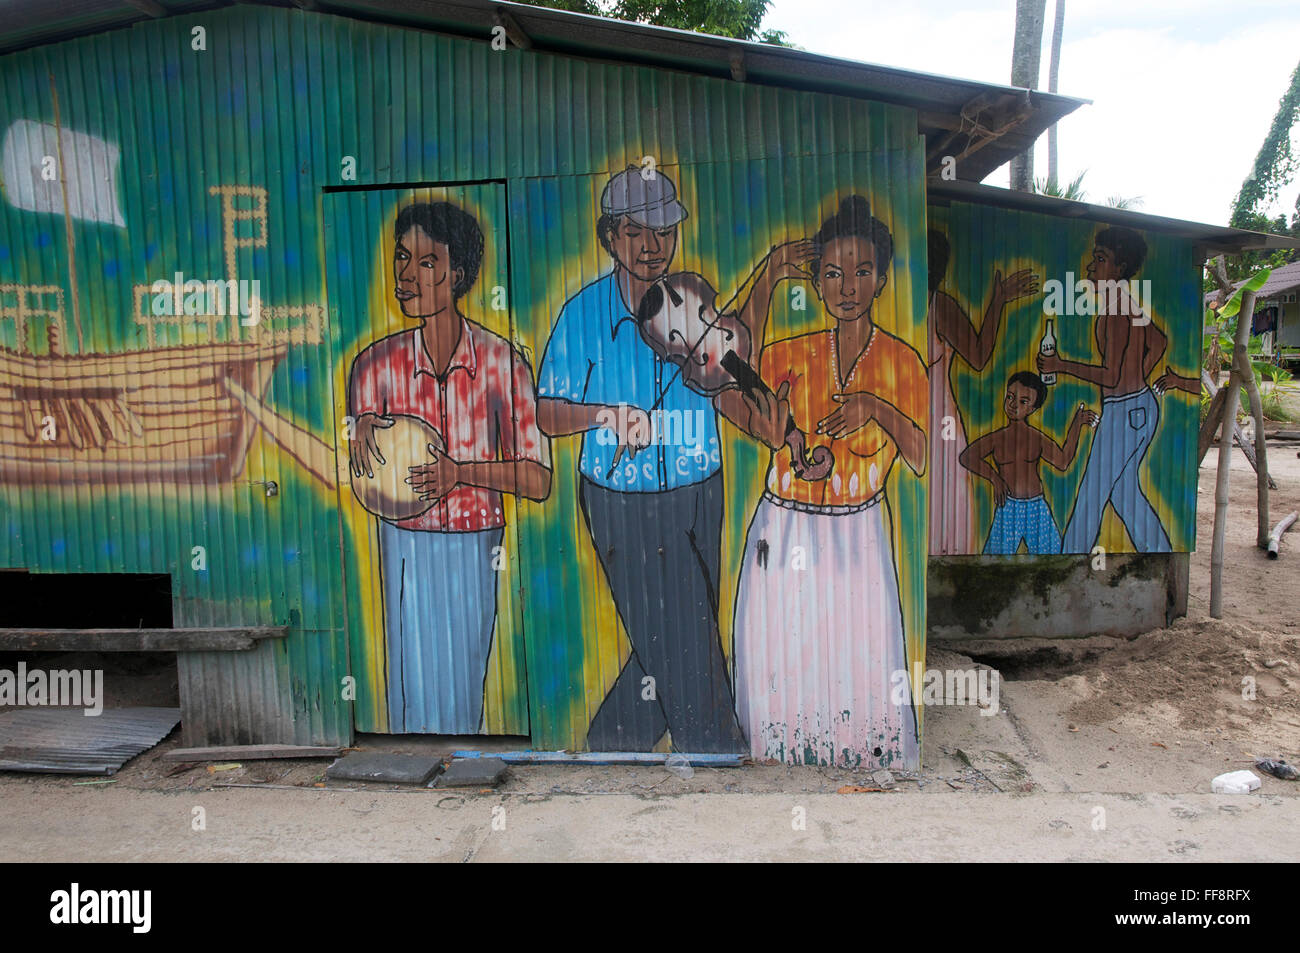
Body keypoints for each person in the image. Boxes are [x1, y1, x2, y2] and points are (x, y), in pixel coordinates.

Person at [535, 166, 750, 753]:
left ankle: (610, 743)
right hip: (621, 498)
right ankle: (713, 749)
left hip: (701, 483)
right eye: (635, 232)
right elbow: (547, 414)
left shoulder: (696, 300)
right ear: (609, 238)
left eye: (664, 231)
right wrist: (606, 415)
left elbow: (726, 362)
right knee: (686, 636)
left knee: (678, 635)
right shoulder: (582, 314)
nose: (652, 246)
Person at [726, 195, 927, 768]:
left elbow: (917, 457)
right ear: (816, 284)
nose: (847, 286)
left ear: (882, 280)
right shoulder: (790, 353)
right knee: (781, 653)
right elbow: (734, 371)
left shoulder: (902, 361)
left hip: (858, 529)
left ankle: (860, 755)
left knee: (856, 654)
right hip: (784, 521)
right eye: (833, 274)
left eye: (862, 271)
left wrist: (877, 409)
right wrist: (765, 279)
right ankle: (774, 755)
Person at [348, 201, 551, 733]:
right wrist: (359, 430)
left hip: (473, 540)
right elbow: (362, 472)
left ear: (457, 274)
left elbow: (538, 478)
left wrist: (460, 473)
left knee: (460, 685)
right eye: (401, 259)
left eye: (427, 263)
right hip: (402, 542)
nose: (407, 276)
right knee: (406, 690)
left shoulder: (502, 363)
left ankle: (460, 772)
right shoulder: (373, 367)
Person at [1038, 226, 1173, 553]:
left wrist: (1060, 365)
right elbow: (1159, 341)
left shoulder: (1115, 310)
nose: (1090, 266)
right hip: (1141, 407)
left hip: (1124, 409)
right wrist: (1137, 376)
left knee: (1091, 496)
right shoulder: (1128, 304)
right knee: (1125, 495)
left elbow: (1111, 377)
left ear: (1120, 267)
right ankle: (1159, 556)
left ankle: (1065, 566)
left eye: (1101, 259)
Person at [927, 231, 1039, 554]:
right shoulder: (890, 306)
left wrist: (998, 302)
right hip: (904, 423)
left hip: (940, 428)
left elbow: (977, 356)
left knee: (945, 508)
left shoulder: (938, 306)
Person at [960, 371, 1097, 555]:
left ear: (1033, 408)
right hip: (1008, 507)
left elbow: (1063, 461)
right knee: (994, 560)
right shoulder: (998, 438)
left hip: (1036, 507)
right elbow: (967, 457)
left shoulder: (1036, 438)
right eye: (1010, 397)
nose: (1013, 404)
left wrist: (1076, 425)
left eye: (1023, 402)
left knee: (1053, 559)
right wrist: (995, 478)